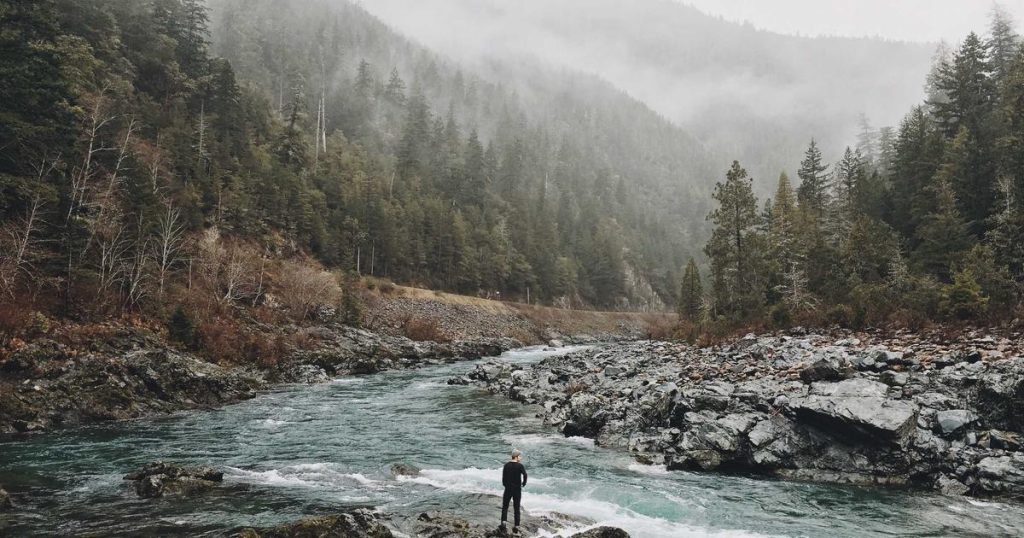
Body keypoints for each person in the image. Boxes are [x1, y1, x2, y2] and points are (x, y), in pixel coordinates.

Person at [500, 449, 527, 532]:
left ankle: (503, 523)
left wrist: (506, 485)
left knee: (505, 506)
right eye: (520, 456)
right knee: (516, 508)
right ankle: (517, 526)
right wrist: (523, 483)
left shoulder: (506, 465)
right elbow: (525, 475)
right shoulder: (520, 466)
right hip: (517, 490)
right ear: (516, 456)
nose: (521, 458)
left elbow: (503, 478)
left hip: (508, 489)